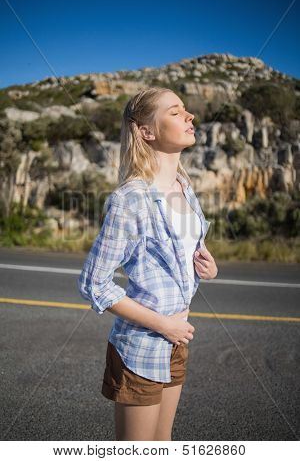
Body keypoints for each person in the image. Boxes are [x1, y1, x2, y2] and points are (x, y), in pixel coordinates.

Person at [78, 87, 218, 441]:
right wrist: (163, 325)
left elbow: (180, 246)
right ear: (146, 131)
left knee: (163, 444)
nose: (190, 117)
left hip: (176, 340)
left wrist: (204, 261)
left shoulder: (184, 186)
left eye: (186, 109)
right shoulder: (130, 199)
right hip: (141, 345)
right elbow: (94, 283)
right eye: (175, 111)